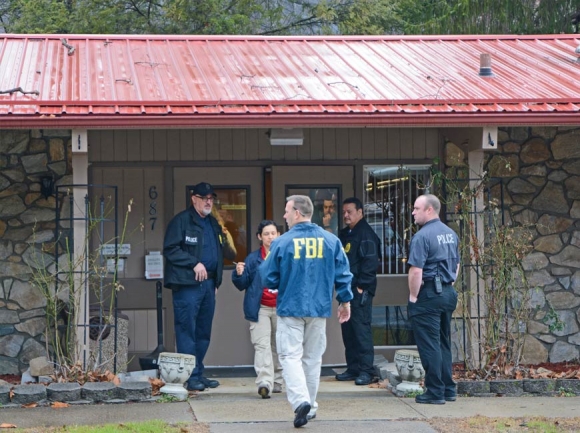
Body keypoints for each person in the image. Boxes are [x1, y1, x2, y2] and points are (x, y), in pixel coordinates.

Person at [260, 195, 353, 428]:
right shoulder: (331, 241)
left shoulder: (281, 242)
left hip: (290, 307)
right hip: (319, 309)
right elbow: (343, 274)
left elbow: (267, 276)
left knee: (290, 357)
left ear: (298, 213)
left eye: (287, 211)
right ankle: (309, 405)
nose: (284, 216)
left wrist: (280, 280)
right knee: (312, 359)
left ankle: (301, 401)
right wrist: (345, 302)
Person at [163, 182, 235, 392]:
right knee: (187, 330)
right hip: (187, 285)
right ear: (194, 199)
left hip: (209, 284)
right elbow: (170, 249)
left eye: (211, 198)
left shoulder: (213, 223)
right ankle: (190, 376)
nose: (208, 202)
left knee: (203, 331)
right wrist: (193, 263)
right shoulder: (181, 221)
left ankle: (199, 373)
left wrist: (217, 281)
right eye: (204, 198)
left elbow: (222, 254)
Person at [407, 194, 460, 405]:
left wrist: (413, 296)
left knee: (429, 345)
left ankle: (435, 391)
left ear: (429, 210)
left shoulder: (422, 236)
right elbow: (456, 265)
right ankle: (448, 388)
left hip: (428, 293)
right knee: (443, 342)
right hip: (447, 292)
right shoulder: (450, 234)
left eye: (416, 208)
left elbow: (415, 271)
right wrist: (448, 285)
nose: (413, 212)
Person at [232, 220, 284, 400]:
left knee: (279, 346)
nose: (270, 237)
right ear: (259, 237)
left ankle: (278, 380)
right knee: (262, 345)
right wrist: (238, 273)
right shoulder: (253, 259)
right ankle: (265, 383)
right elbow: (242, 284)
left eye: (273, 233)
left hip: (281, 308)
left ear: (279, 235)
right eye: (266, 234)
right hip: (259, 308)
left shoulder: (285, 255)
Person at [336, 197, 381, 386]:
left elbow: (370, 263)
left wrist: (362, 286)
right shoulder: (346, 234)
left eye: (350, 212)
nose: (346, 215)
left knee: (361, 330)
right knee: (348, 331)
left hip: (359, 291)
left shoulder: (366, 234)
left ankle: (366, 371)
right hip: (346, 290)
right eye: (344, 212)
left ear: (360, 212)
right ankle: (353, 368)